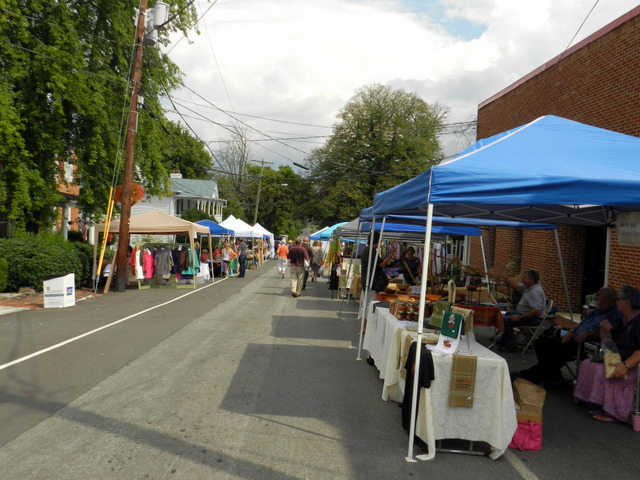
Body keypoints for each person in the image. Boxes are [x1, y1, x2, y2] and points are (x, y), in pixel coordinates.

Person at [515, 287, 617, 388]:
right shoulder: (596, 310)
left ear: (606, 298)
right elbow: (581, 323)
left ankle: (528, 376)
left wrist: (590, 332)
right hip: (575, 337)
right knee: (541, 343)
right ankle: (554, 377)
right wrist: (571, 331)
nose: (596, 297)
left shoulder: (614, 314)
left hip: (588, 343)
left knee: (557, 355)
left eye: (599, 295)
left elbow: (611, 333)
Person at [574, 285, 640, 423]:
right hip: (618, 356)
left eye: (618, 299)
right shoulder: (622, 320)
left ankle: (616, 412)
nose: (616, 302)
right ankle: (603, 404)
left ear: (627, 302)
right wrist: (605, 331)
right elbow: (609, 342)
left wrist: (626, 366)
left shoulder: (638, 320)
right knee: (588, 364)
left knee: (604, 371)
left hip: (633, 363)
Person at [498, 269, 546, 352]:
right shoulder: (529, 287)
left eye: (524, 277)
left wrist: (520, 317)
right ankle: (505, 340)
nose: (522, 279)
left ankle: (512, 346)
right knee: (508, 313)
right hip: (524, 313)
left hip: (534, 318)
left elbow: (537, 310)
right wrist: (506, 279)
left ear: (531, 280)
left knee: (505, 320)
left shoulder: (535, 292)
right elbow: (516, 287)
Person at [360, 233, 396, 301]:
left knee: (367, 303)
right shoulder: (371, 251)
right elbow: (382, 264)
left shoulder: (368, 249)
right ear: (377, 241)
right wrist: (391, 253)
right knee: (370, 304)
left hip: (369, 282)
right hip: (370, 283)